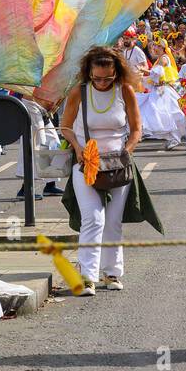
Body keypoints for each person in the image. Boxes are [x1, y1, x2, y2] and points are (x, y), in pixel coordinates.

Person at [59, 46, 143, 295]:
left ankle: (112, 272)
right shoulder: (79, 92)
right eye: (97, 78)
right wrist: (77, 147)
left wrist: (127, 149)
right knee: (93, 219)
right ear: (88, 74)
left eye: (108, 78)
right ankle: (87, 277)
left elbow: (137, 128)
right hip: (86, 165)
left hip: (118, 164)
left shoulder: (124, 90)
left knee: (113, 222)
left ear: (117, 73)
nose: (103, 83)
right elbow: (65, 127)